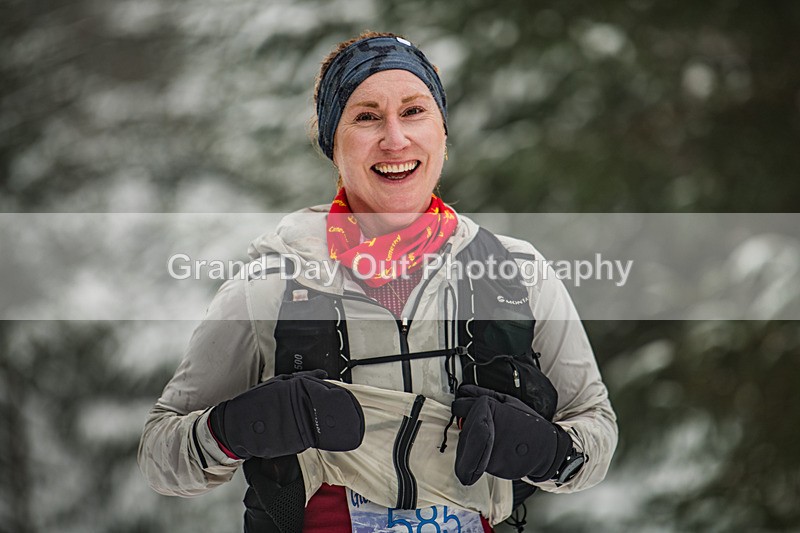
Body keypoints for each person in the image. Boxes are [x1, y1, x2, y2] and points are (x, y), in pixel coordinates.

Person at [138, 31, 618, 533]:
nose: (395, 139)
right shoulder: (271, 286)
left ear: (442, 132)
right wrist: (240, 426)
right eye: (366, 117)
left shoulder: (516, 274)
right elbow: (160, 456)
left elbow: (596, 430)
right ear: (333, 143)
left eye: (414, 112)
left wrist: (548, 450)